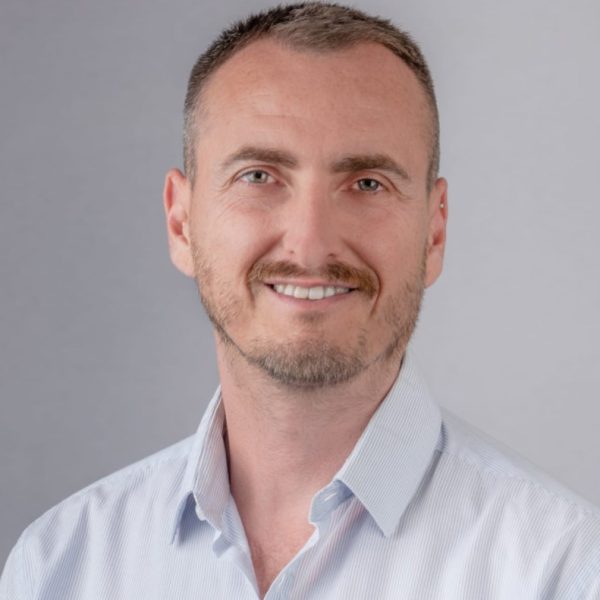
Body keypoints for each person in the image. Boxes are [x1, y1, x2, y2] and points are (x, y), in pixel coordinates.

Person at [1, 2, 599, 598]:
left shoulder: (564, 571)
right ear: (181, 223)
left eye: (367, 183)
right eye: (259, 176)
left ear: (434, 232)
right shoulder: (59, 567)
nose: (310, 244)